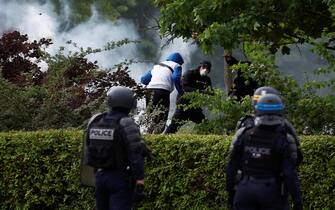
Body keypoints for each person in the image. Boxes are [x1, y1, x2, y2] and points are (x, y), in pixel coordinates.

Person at [226, 93, 303, 210]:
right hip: (272, 193)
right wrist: (297, 202)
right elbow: (290, 174)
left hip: (245, 191)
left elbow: (232, 167)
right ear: (280, 112)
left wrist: (231, 196)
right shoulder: (284, 139)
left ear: (257, 110)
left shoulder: (244, 134)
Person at [84, 86, 147, 210]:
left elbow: (88, 148)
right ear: (130, 103)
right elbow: (135, 154)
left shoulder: (96, 121)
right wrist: (139, 179)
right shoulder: (126, 123)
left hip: (99, 177)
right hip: (120, 177)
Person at [236, 86, 303, 166]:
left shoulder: (244, 123)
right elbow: (296, 156)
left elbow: (235, 155)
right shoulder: (284, 124)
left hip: (249, 175)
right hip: (277, 175)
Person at [140, 52, 184, 134]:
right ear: (179, 62)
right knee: (162, 118)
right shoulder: (177, 66)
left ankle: (147, 136)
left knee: (150, 116)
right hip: (162, 92)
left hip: (149, 91)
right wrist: (181, 91)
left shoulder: (157, 66)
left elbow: (143, 79)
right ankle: (156, 138)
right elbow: (176, 77)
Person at [164, 60, 212, 134]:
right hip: (183, 105)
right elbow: (185, 88)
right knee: (173, 127)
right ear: (200, 67)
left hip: (195, 107)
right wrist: (201, 92)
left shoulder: (206, 79)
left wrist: (211, 94)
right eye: (204, 68)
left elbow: (210, 91)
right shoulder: (189, 73)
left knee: (207, 126)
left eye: (208, 69)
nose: (206, 70)